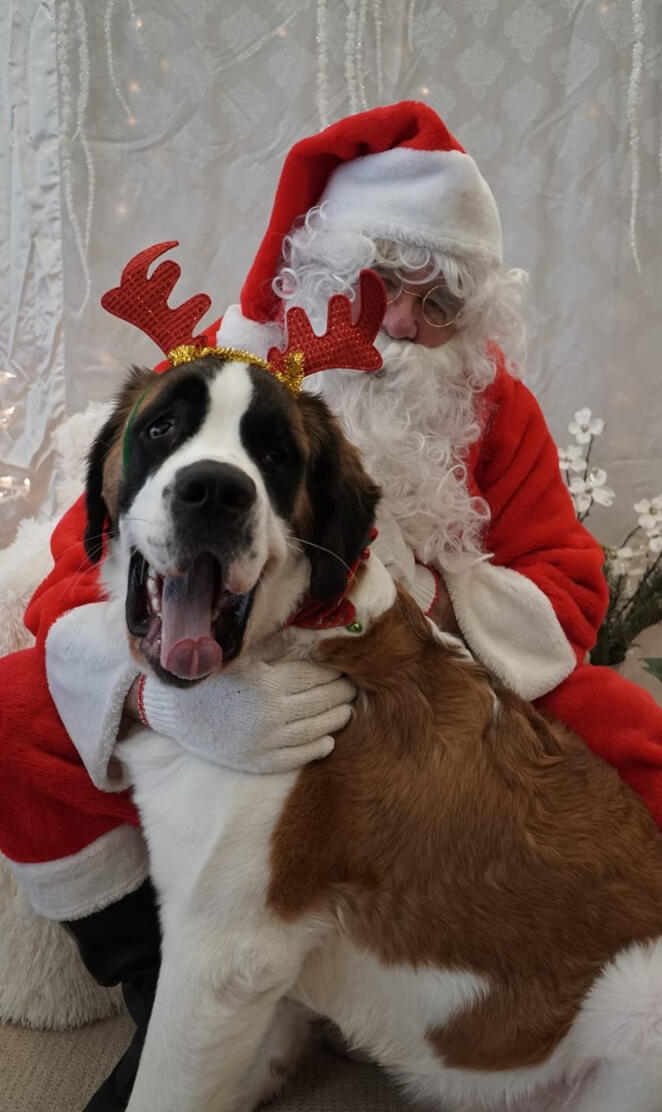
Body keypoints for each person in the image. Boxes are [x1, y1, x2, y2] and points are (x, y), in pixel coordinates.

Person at [1, 100, 661, 1110]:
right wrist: (165, 698)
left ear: (473, 318)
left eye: (435, 299)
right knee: (18, 710)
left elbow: (563, 576)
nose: (399, 322)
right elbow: (74, 570)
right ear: (319, 268)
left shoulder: (496, 409)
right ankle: (166, 981)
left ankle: (345, 966)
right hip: (209, 653)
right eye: (379, 282)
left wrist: (426, 607)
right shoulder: (226, 366)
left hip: (440, 683)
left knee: (627, 730)